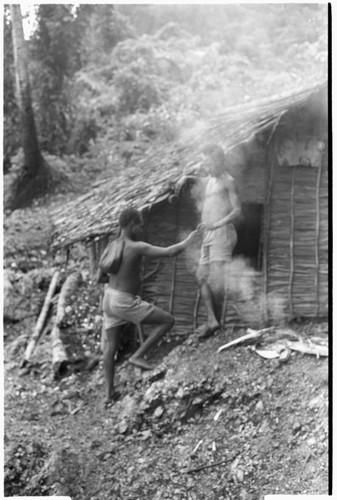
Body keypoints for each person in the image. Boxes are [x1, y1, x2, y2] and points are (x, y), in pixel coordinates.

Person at [97, 207, 200, 405]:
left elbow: (99, 276)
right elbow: (170, 252)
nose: (142, 228)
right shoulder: (136, 247)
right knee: (167, 321)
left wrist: (121, 278)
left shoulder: (112, 245)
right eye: (140, 224)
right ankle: (138, 355)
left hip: (109, 299)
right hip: (123, 301)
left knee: (110, 347)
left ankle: (109, 395)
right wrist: (191, 239)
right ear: (131, 225)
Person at [196, 144, 241, 339]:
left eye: (209, 162)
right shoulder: (210, 181)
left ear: (219, 161)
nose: (206, 166)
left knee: (216, 279)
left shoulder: (228, 181)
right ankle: (212, 319)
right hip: (208, 235)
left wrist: (216, 224)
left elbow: (237, 210)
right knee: (200, 276)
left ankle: (224, 321)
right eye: (204, 162)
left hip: (221, 233)